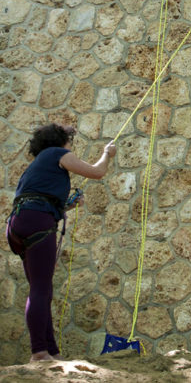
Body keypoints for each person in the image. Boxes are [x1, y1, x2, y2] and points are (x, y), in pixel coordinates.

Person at [5, 123, 116, 362]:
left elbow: (36, 197)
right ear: (61, 141)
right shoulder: (58, 153)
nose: (71, 147)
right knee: (41, 289)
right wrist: (107, 154)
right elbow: (97, 172)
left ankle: (50, 351)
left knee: (42, 289)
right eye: (70, 142)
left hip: (18, 224)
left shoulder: (35, 167)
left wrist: (67, 205)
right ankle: (39, 352)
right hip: (37, 221)